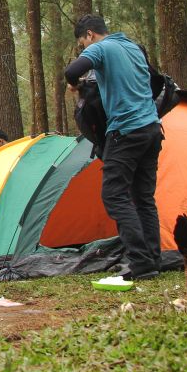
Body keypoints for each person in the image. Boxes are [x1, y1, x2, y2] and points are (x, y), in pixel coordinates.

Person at [63, 14, 162, 281]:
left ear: (90, 35)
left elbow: (71, 71)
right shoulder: (132, 47)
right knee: (143, 197)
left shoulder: (100, 48)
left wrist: (74, 85)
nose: (85, 48)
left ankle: (140, 261)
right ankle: (152, 260)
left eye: (83, 44)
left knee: (114, 194)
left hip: (127, 131)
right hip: (152, 129)